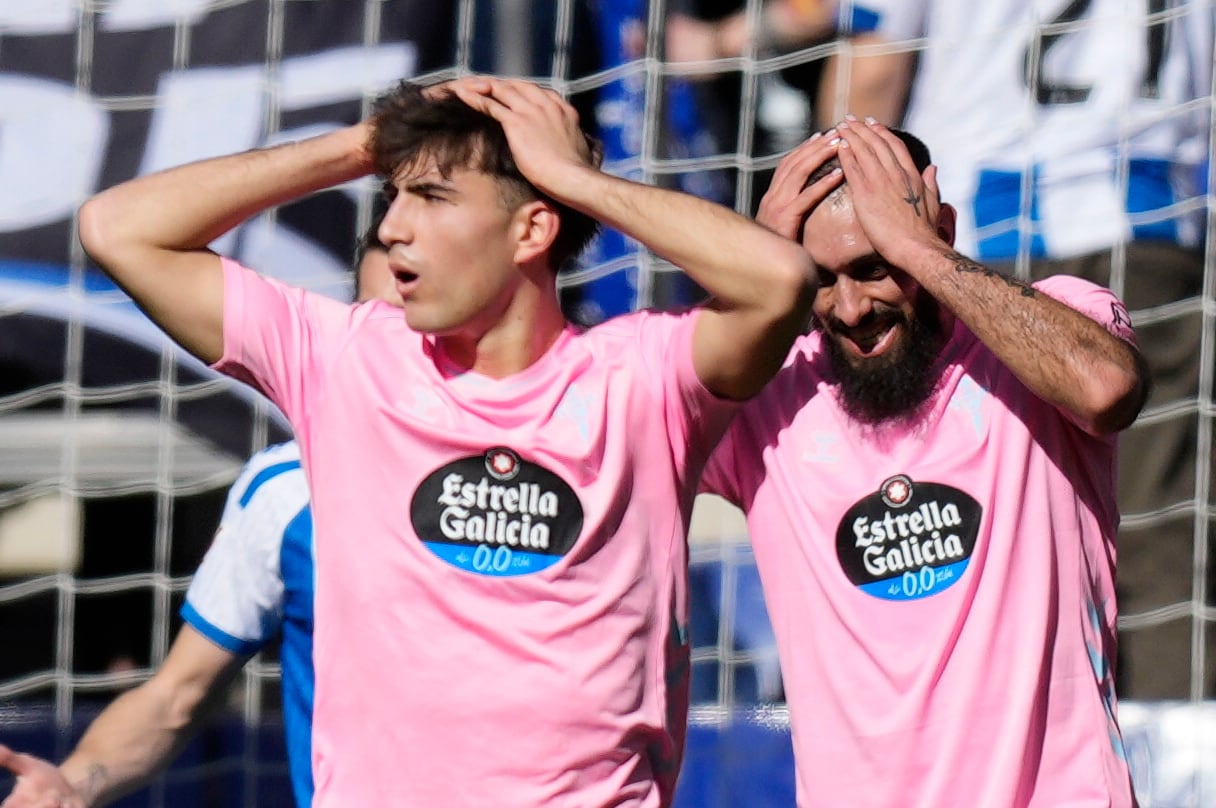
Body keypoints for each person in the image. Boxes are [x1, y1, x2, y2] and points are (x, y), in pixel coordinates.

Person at [64, 75, 830, 806]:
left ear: (533, 227)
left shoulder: (643, 378)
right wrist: (366, 145)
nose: (393, 226)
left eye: (431, 197)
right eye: (393, 195)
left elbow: (780, 281)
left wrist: (572, 177)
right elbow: (117, 228)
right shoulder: (346, 360)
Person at [700, 117, 1149, 806]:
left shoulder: (1049, 327)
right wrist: (746, 271)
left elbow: (1105, 388)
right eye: (820, 279)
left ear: (942, 226)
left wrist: (920, 249)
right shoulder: (769, 395)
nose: (850, 308)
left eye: (876, 267)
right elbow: (641, 407)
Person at [819, 0, 1213, 698]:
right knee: (1160, 528)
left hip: (982, 234)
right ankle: (1172, 760)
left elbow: (870, 78)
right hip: (1155, 226)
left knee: (978, 529)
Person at [0, 228, 399, 808]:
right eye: (374, 324)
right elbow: (175, 696)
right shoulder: (291, 491)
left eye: (416, 328)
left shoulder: (577, 461)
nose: (396, 349)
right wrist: (78, 784)